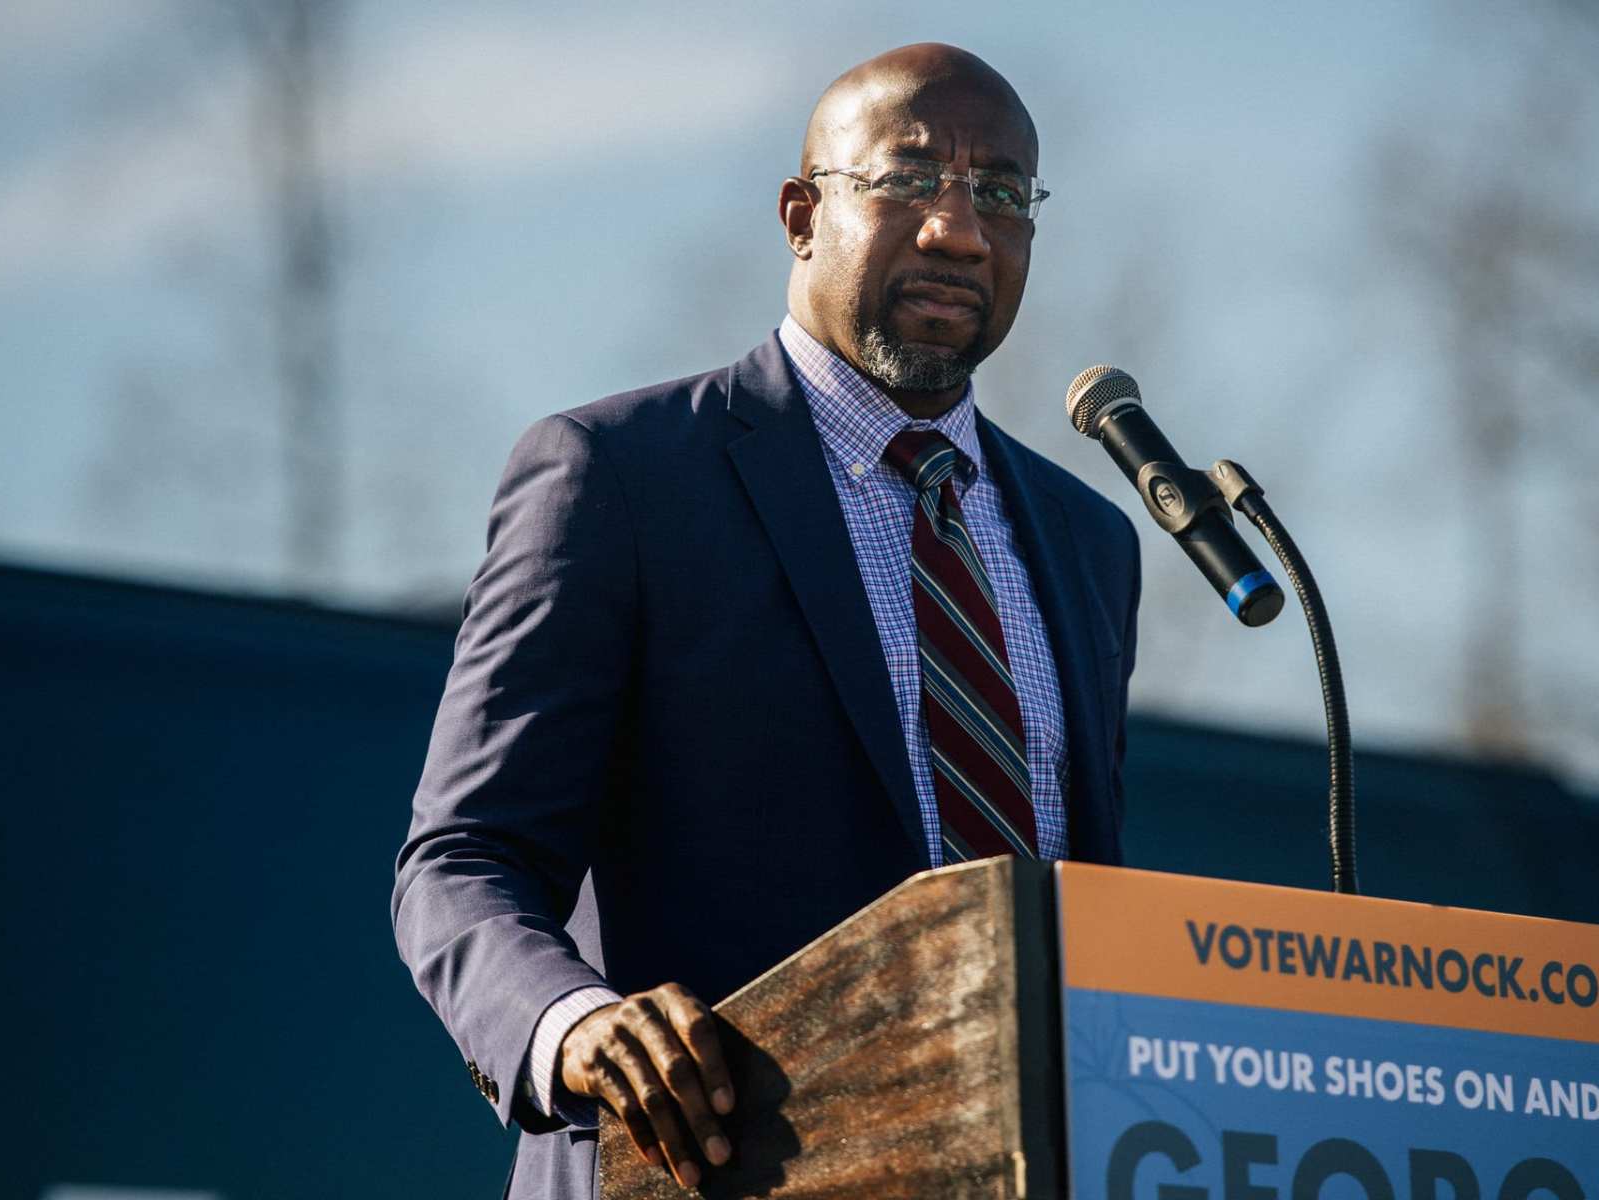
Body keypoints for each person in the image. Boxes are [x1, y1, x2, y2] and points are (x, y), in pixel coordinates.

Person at [392, 42, 1142, 1200]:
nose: (960, 231)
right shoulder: (622, 480)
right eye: (906, 180)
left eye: (1002, 193)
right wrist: (573, 1024)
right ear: (802, 215)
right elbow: (464, 858)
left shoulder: (1089, 543)